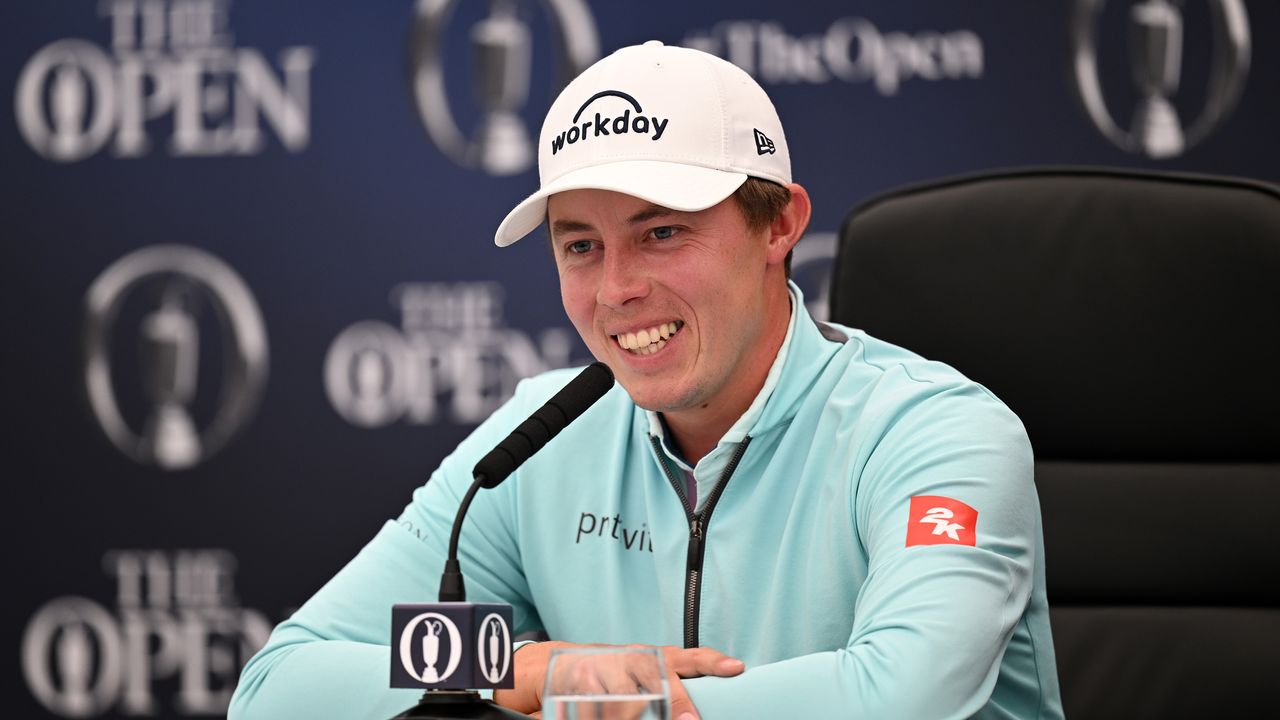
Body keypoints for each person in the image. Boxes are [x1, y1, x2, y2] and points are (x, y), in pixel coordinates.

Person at [230, 41, 1063, 719]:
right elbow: (284, 683)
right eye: (580, 244)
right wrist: (528, 671)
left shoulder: (934, 432)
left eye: (661, 232)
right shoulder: (537, 442)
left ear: (780, 225)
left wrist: (638, 703)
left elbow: (900, 696)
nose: (616, 289)